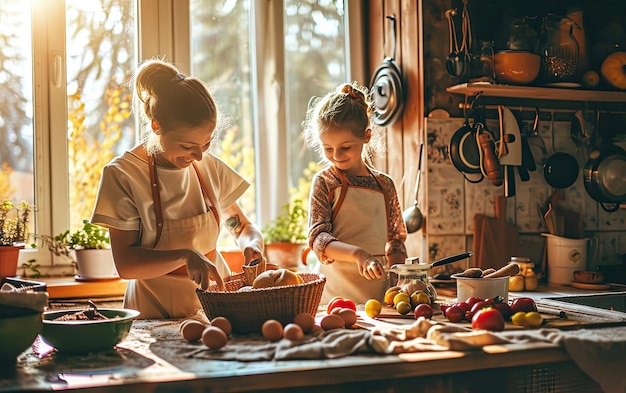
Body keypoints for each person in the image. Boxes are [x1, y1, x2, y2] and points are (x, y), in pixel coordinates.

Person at [91, 59, 264, 319]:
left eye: (206, 143)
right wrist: (185, 256)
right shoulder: (123, 175)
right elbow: (126, 264)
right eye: (187, 146)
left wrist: (252, 245)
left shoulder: (209, 168)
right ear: (156, 126)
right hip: (153, 311)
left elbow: (240, 226)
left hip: (216, 308)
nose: (198, 156)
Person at [302, 82, 408, 305]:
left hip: (377, 297)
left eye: (345, 147)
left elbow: (396, 242)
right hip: (332, 296)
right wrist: (359, 255)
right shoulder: (325, 182)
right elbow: (318, 239)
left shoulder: (385, 185)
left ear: (366, 136)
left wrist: (398, 281)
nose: (336, 155)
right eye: (327, 148)